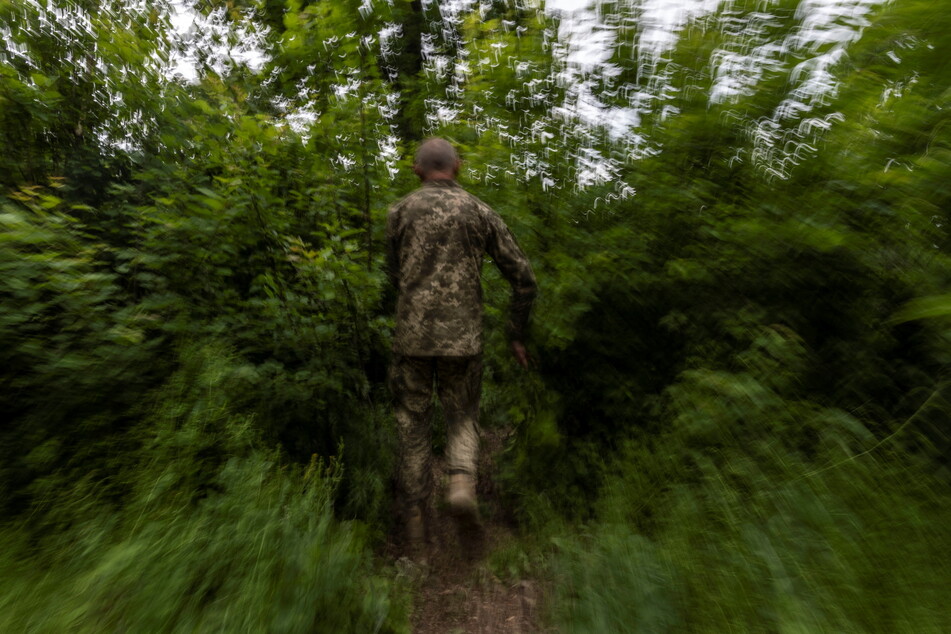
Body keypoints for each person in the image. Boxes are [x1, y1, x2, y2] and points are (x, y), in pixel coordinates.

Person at [386, 138, 536, 560]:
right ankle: (461, 485)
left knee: (412, 425)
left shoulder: (399, 212)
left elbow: (394, 275)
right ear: (458, 166)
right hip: (464, 340)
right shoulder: (479, 212)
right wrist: (515, 333)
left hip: (411, 339)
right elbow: (524, 278)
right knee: (462, 417)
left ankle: (415, 526)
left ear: (418, 169)